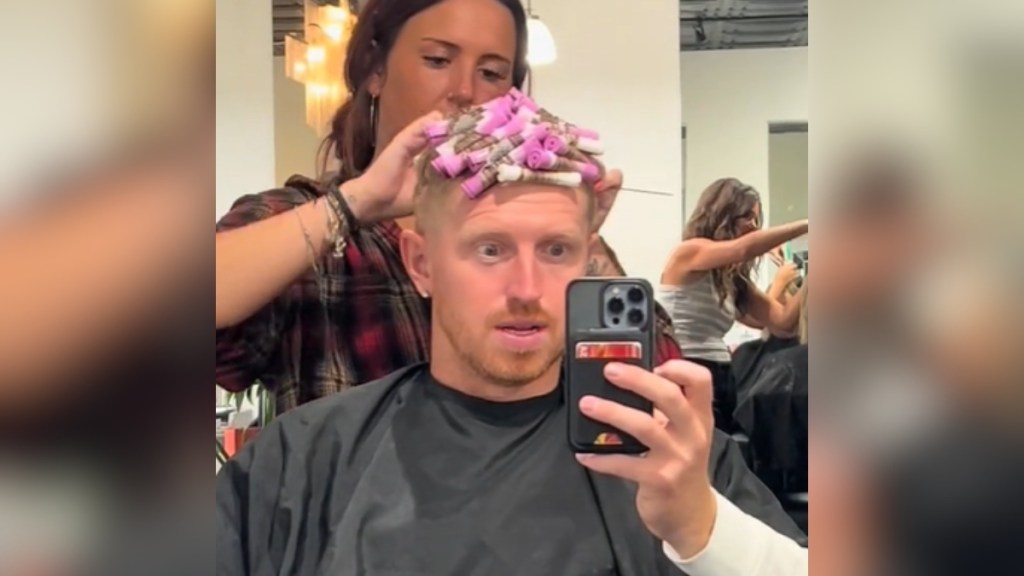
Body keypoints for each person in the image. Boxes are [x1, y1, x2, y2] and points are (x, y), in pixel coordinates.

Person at [217, 99, 807, 576]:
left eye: (556, 250)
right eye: (490, 249)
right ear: (421, 263)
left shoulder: (671, 460)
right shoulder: (303, 464)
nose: (526, 288)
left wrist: (703, 532)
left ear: (587, 259)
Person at [214, 0, 681, 413]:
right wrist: (353, 204)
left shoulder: (531, 239)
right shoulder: (310, 229)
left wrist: (579, 243)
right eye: (437, 60)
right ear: (375, 70)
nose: (465, 91)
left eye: (492, 73)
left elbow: (658, 379)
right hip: (351, 511)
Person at [658, 178, 807, 432]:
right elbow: (741, 250)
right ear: (722, 215)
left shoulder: (731, 279)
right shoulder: (688, 253)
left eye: (756, 219)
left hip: (722, 373)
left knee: (721, 457)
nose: (754, 226)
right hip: (685, 366)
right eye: (746, 217)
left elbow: (782, 323)